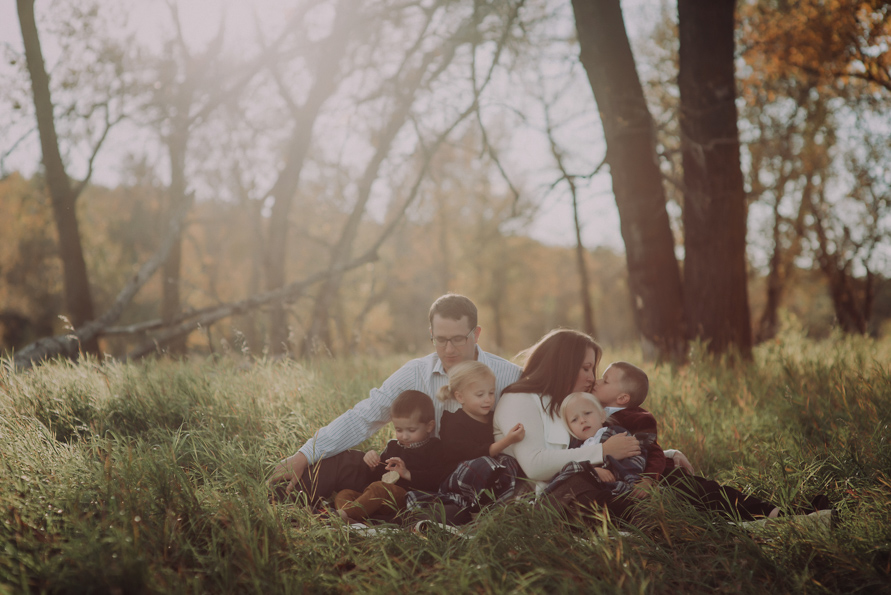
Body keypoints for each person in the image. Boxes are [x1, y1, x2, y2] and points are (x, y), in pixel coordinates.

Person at [269, 294, 522, 504]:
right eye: (440, 339)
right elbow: (364, 416)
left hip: (468, 480)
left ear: (476, 334)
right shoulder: (415, 372)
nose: (449, 349)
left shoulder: (509, 375)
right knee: (334, 464)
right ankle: (289, 500)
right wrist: (304, 455)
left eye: (458, 339)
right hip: (410, 468)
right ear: (431, 333)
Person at [492, 329, 643, 494]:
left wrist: (666, 457)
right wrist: (603, 451)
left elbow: (594, 442)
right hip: (545, 500)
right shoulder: (518, 399)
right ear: (563, 365)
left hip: (586, 485)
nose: (592, 378)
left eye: (592, 370)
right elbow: (535, 465)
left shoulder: (567, 402)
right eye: (586, 369)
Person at [404, 362, 526, 519]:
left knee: (509, 463)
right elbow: (470, 452)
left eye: (491, 393)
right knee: (483, 463)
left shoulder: (495, 417)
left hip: (487, 480)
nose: (488, 399)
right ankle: (474, 509)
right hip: (458, 477)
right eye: (480, 395)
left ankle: (498, 507)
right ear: (460, 397)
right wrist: (507, 441)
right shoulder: (452, 422)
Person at [334, 390, 453, 522]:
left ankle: (342, 516)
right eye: (399, 430)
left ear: (429, 426)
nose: (404, 436)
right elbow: (377, 478)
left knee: (380, 489)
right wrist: (373, 464)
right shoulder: (393, 447)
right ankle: (352, 518)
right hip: (381, 497)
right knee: (345, 493)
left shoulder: (435, 448)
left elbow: (437, 479)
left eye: (411, 430)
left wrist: (407, 473)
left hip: (407, 499)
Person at [561, 391, 654, 496]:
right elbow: (571, 469)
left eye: (587, 413)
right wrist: (593, 471)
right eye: (574, 419)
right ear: (570, 430)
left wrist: (628, 477)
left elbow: (636, 452)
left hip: (619, 482)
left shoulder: (614, 433)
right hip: (593, 490)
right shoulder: (575, 449)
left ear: (602, 416)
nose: (582, 420)